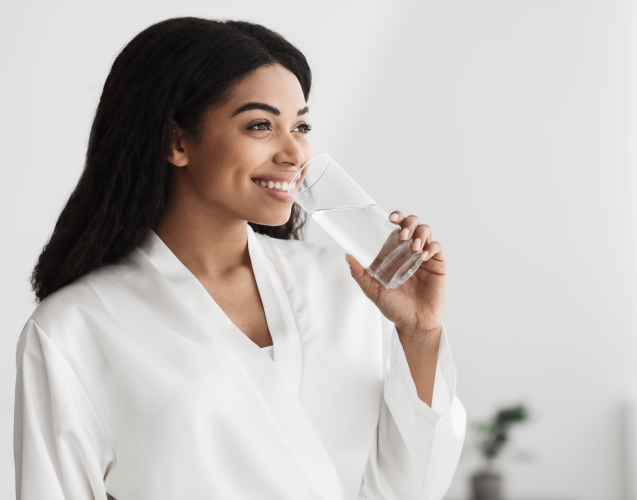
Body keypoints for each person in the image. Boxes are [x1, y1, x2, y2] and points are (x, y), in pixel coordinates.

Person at [13, 17, 466, 500]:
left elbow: (410, 489)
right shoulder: (74, 327)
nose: (295, 153)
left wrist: (419, 335)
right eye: (260, 126)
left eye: (301, 126)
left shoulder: (345, 285)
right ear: (177, 141)